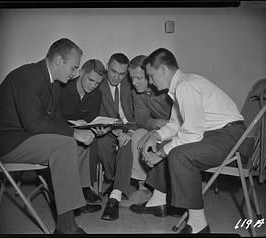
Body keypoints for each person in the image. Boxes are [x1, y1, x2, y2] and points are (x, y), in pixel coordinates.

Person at [129, 48, 245, 234]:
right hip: (214, 134)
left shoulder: (186, 86)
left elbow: (191, 133)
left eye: (151, 76)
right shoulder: (178, 87)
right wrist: (155, 136)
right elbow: (176, 125)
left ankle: (199, 224)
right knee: (166, 146)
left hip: (230, 136)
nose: (150, 81)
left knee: (179, 155)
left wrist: (161, 153)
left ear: (164, 70)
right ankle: (159, 200)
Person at [0, 38, 97, 234]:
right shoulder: (28, 76)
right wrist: (73, 133)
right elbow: (34, 124)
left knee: (79, 144)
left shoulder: (54, 83)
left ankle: (75, 202)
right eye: (73, 68)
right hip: (8, 143)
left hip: (26, 137)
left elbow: (55, 119)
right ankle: (66, 227)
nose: (75, 73)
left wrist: (77, 130)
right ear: (58, 60)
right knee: (65, 144)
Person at [101, 55, 173, 221]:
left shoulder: (166, 89)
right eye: (131, 78)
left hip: (178, 130)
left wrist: (163, 125)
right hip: (156, 128)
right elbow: (142, 119)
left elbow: (180, 121)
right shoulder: (137, 92)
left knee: (142, 137)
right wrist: (158, 124)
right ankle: (143, 187)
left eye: (138, 78)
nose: (133, 83)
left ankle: (160, 191)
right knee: (135, 137)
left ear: (150, 75)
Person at [58, 59, 108, 213]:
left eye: (97, 83)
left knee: (89, 139)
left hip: (80, 132)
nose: (93, 85)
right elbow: (52, 117)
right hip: (60, 131)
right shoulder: (63, 88)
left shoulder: (96, 94)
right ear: (81, 73)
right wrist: (73, 126)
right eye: (90, 80)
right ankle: (77, 194)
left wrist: (98, 129)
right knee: (76, 143)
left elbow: (91, 120)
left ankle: (84, 187)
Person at [97, 53, 134, 188]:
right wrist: (110, 128)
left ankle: (118, 186)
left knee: (128, 143)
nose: (116, 77)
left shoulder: (132, 84)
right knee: (101, 142)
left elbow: (138, 112)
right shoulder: (98, 84)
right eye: (113, 71)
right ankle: (113, 179)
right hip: (109, 128)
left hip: (130, 127)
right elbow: (98, 113)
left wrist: (131, 131)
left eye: (121, 74)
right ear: (107, 67)